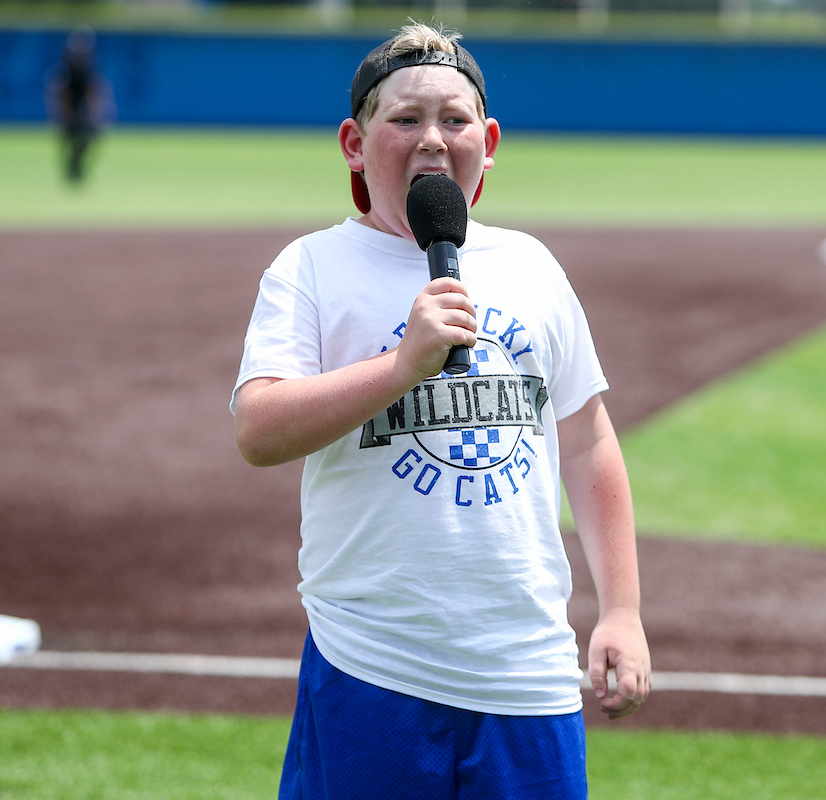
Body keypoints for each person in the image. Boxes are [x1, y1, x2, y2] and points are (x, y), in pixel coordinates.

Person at [231, 21, 650, 800]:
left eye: (454, 120)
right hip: (373, 665)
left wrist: (620, 610)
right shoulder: (312, 268)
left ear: (487, 142)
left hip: (527, 675)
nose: (432, 139)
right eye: (405, 119)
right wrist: (399, 368)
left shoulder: (530, 266)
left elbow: (587, 440)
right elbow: (259, 429)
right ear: (355, 144)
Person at [46, 26, 113, 184]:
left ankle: (77, 168)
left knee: (88, 139)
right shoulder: (64, 71)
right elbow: (60, 95)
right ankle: (70, 169)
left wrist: (96, 114)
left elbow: (94, 93)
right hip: (68, 112)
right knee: (68, 142)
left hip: (82, 112)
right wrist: (64, 114)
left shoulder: (89, 71)